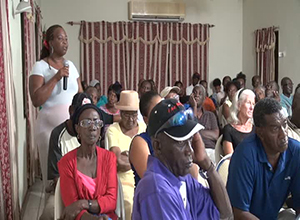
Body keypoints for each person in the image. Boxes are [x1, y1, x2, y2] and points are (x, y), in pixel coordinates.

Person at [132, 99, 233, 219]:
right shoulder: (157, 189)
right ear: (157, 146)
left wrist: (207, 165)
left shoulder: (182, 178)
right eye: (180, 142)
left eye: (190, 140)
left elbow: (225, 216)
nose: (190, 150)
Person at [29, 24, 83, 191]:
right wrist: (56, 77)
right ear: (50, 42)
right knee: (53, 179)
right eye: (60, 38)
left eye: (66, 39)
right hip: (49, 129)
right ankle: (52, 212)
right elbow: (36, 99)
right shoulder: (40, 67)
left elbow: (80, 95)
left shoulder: (71, 66)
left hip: (72, 130)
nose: (65, 42)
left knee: (74, 174)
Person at [226, 98, 300, 220]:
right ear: (260, 132)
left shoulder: (295, 152)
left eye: (285, 125)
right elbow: (238, 212)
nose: (284, 134)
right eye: (275, 128)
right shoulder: (245, 155)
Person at [58, 103, 118, 220]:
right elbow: (72, 207)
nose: (92, 127)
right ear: (77, 129)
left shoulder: (109, 158)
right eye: (86, 123)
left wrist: (83, 204)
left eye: (96, 122)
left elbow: (111, 201)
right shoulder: (66, 163)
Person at [105, 90, 146, 220]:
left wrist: (129, 156)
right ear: (121, 113)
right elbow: (117, 163)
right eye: (127, 115)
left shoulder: (144, 128)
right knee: (131, 203)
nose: (131, 119)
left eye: (134, 115)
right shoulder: (113, 130)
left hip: (146, 178)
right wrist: (139, 158)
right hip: (123, 182)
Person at [129, 91, 162, 186]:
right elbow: (153, 182)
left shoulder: (171, 137)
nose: (162, 113)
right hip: (151, 198)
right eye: (156, 110)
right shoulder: (140, 142)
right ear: (146, 119)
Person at [189, 85, 219, 163]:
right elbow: (190, 134)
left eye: (200, 93)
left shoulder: (210, 115)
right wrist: (194, 107)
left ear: (204, 98)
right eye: (194, 93)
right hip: (193, 151)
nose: (197, 95)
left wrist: (197, 132)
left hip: (210, 150)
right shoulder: (186, 114)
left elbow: (215, 135)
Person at [222, 89, 255, 155]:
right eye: (248, 103)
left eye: (253, 104)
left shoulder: (256, 129)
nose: (252, 107)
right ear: (238, 105)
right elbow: (230, 158)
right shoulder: (228, 129)